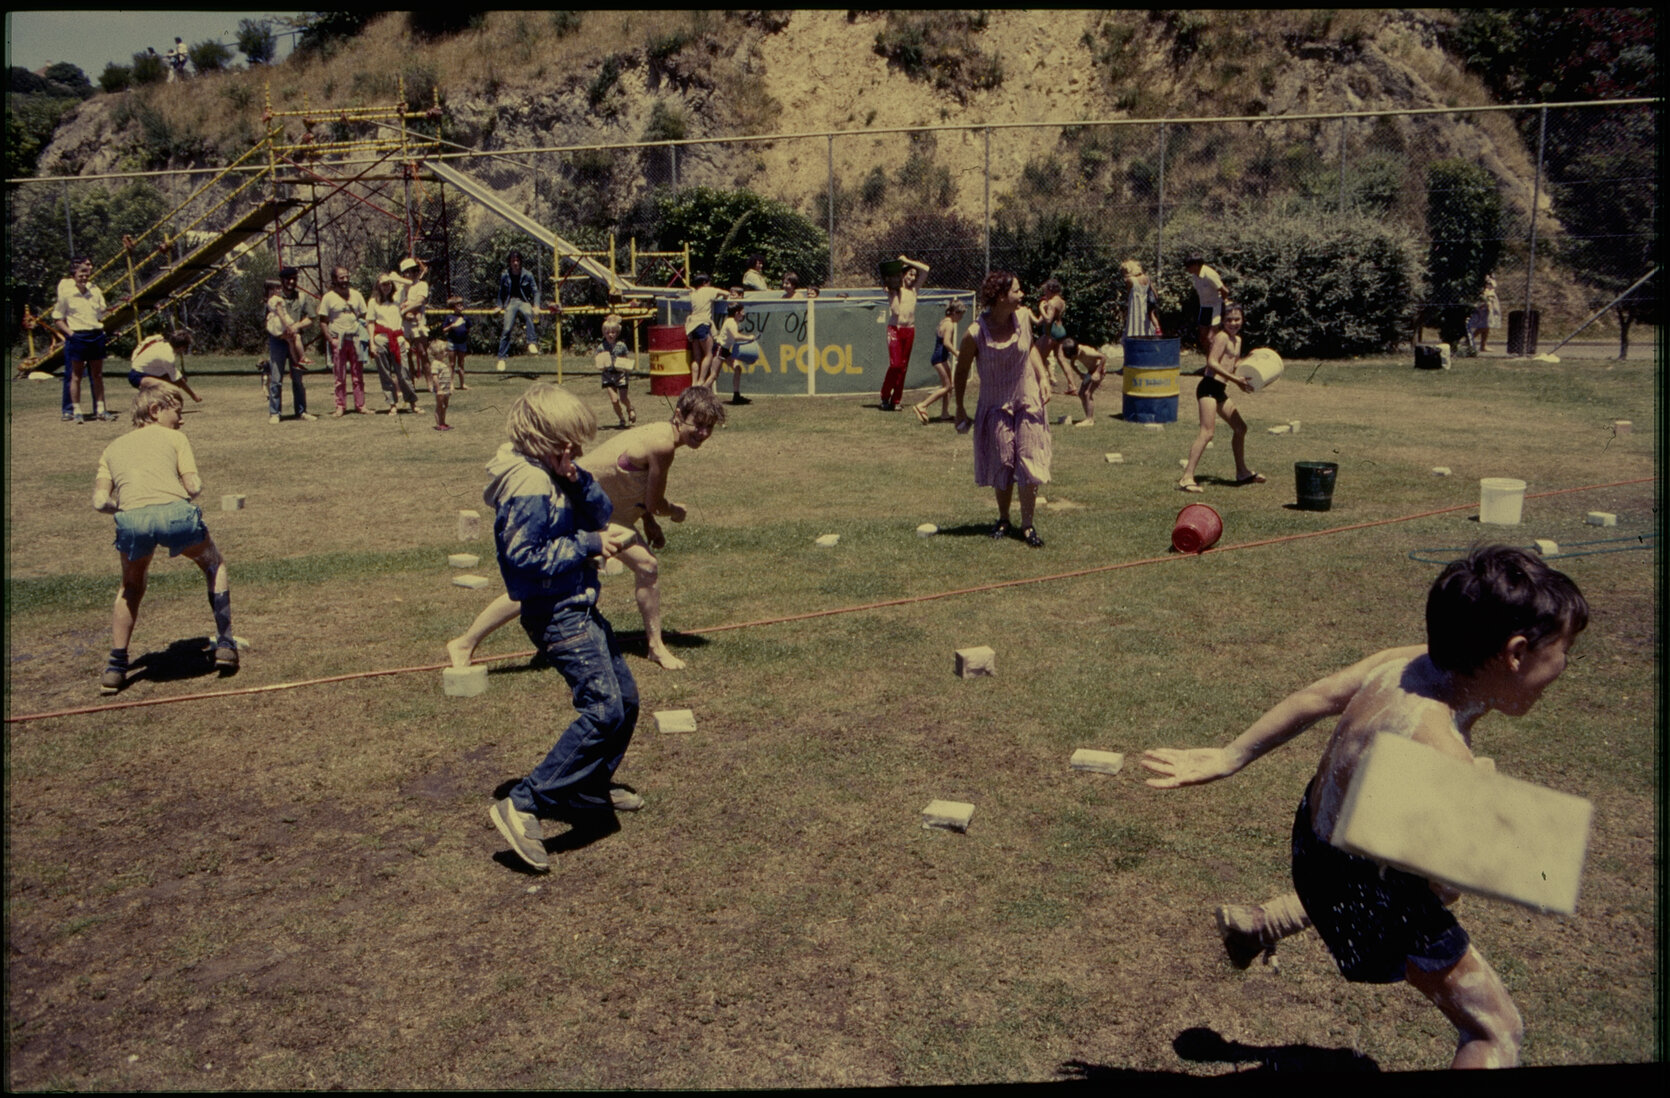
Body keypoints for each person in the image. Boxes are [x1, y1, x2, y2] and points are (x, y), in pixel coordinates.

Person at [1141, 546, 1589, 1070]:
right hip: (1361, 898)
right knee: (1495, 1030)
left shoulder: (1407, 663)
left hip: (1317, 842)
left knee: (1371, 860)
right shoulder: (1437, 749)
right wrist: (1474, 803)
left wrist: (1230, 755)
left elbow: (1319, 695)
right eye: (1563, 650)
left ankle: (1263, 923)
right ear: (1514, 653)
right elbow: (1444, 889)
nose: (1564, 666)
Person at [449, 386, 727, 675]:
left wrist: (648, 521)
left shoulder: (659, 433)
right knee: (637, 567)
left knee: (551, 584)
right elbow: (654, 502)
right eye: (698, 424)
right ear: (679, 415)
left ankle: (466, 643)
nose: (704, 433)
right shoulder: (663, 445)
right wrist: (674, 512)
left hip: (598, 509)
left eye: (710, 427)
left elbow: (637, 486)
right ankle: (655, 647)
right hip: (582, 508)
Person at [481, 382, 643, 873]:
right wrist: (588, 545)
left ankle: (585, 790)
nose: (574, 451)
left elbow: (599, 512)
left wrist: (577, 480)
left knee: (626, 700)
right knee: (603, 709)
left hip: (577, 602)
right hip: (556, 612)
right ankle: (525, 802)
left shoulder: (553, 471)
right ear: (538, 436)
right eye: (566, 442)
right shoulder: (527, 486)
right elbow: (524, 560)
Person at [92, 386, 239, 695]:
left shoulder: (112, 448)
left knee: (131, 586)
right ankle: (225, 644)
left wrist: (126, 509)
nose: (181, 421)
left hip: (131, 520)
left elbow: (100, 501)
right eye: (178, 413)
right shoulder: (175, 439)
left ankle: (115, 667)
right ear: (156, 410)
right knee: (215, 564)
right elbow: (194, 485)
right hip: (175, 514)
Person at [953, 270, 1052, 548]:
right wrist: (959, 408)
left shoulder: (1022, 318)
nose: (1022, 295)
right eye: (1017, 291)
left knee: (1030, 457)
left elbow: (1030, 346)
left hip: (1027, 397)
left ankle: (1028, 525)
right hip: (995, 403)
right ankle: (1004, 518)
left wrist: (1043, 376)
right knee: (1003, 460)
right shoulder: (975, 333)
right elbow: (960, 373)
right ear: (1000, 296)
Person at [1177, 303, 1263, 493]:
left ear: (1242, 320)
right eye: (1229, 319)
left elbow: (1233, 364)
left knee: (1240, 428)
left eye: (1237, 319)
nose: (1233, 323)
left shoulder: (1238, 340)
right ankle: (1187, 477)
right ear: (1223, 321)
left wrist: (1253, 360)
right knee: (1207, 433)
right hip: (1208, 387)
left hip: (1220, 390)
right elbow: (1212, 362)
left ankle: (1242, 472)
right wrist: (1235, 380)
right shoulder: (1222, 337)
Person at [52, 257, 112, 423]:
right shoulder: (66, 293)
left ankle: (101, 409)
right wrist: (71, 334)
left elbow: (101, 310)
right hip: (78, 337)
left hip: (95, 335)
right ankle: (74, 410)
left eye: (87, 274)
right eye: (81, 274)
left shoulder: (95, 291)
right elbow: (57, 318)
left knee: (97, 374)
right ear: (74, 275)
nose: (84, 277)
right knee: (75, 375)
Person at [265, 266, 318, 424]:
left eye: (294, 278)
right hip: (278, 341)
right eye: (288, 279)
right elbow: (267, 321)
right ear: (282, 281)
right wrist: (281, 334)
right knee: (276, 378)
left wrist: (297, 327)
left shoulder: (302, 297)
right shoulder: (274, 298)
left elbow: (311, 318)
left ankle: (301, 411)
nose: (291, 282)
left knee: (298, 377)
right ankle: (275, 413)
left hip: (295, 339)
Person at [879, 255, 930, 411]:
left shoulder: (914, 290)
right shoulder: (895, 289)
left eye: (914, 275)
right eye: (909, 274)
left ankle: (896, 400)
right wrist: (891, 292)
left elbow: (926, 269)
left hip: (909, 330)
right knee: (895, 365)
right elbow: (895, 311)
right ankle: (885, 396)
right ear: (902, 275)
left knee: (903, 367)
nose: (912, 277)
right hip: (895, 329)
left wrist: (907, 261)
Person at [319, 267, 369, 416]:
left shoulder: (356, 295)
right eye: (341, 278)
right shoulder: (328, 298)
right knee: (339, 375)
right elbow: (323, 321)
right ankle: (340, 406)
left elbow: (365, 316)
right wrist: (330, 339)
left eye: (347, 277)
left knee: (357, 374)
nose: (345, 280)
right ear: (334, 280)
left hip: (355, 338)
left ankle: (361, 405)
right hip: (338, 340)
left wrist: (363, 334)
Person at [370, 275, 420, 415]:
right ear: (378, 286)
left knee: (403, 371)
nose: (387, 286)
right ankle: (392, 404)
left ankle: (412, 402)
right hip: (381, 337)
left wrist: (394, 277)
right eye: (384, 284)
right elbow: (370, 323)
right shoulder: (373, 302)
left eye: (389, 284)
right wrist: (372, 343)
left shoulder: (397, 298)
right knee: (385, 373)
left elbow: (411, 282)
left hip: (397, 338)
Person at [912, 300, 966, 424]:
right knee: (947, 386)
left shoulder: (945, 321)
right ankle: (922, 406)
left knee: (950, 386)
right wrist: (957, 353)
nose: (961, 318)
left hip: (941, 358)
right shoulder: (950, 325)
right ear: (954, 312)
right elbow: (947, 343)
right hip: (939, 358)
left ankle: (945, 414)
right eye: (960, 314)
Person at [495, 251, 542, 371]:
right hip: (511, 302)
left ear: (520, 261)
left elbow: (536, 291)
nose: (515, 263)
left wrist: (536, 305)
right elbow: (501, 292)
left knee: (528, 313)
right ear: (510, 262)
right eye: (513, 261)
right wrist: (499, 305)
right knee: (506, 329)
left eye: (517, 261)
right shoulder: (505, 275)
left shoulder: (528, 274)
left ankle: (531, 342)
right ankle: (501, 358)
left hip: (523, 301)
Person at [126, 329, 201, 403]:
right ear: (182, 347)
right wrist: (194, 396)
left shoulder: (162, 344)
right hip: (138, 376)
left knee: (181, 381)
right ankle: (146, 402)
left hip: (149, 372)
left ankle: (153, 397)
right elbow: (178, 380)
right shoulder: (167, 356)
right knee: (170, 389)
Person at [395, 256, 432, 389]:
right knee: (406, 354)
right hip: (404, 325)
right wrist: (404, 311)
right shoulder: (400, 288)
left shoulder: (422, 284)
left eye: (414, 271)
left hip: (418, 324)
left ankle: (430, 383)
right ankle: (411, 383)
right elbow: (397, 303)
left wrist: (405, 310)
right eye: (408, 272)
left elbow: (419, 301)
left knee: (422, 353)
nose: (412, 274)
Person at [684, 274, 726, 389]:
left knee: (696, 357)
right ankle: (701, 382)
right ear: (704, 283)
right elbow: (725, 293)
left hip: (692, 326)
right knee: (708, 355)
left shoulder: (693, 294)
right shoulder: (708, 290)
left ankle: (694, 382)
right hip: (703, 324)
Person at [264, 278, 313, 375]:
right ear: (272, 290)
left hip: (275, 325)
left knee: (291, 342)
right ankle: (302, 357)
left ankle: (296, 362)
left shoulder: (269, 300)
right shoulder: (277, 299)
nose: (279, 290)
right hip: (281, 324)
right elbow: (281, 314)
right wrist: (287, 326)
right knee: (297, 337)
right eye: (277, 288)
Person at [717, 299, 759, 406]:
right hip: (719, 349)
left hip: (724, 350)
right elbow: (736, 336)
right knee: (713, 375)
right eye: (742, 311)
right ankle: (699, 397)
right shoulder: (731, 322)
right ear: (737, 313)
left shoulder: (732, 322)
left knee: (737, 368)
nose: (744, 314)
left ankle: (736, 396)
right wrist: (749, 337)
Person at [1033, 278, 1071, 395]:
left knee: (1037, 358)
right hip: (1060, 331)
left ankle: (1038, 384)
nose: (1045, 293)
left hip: (1051, 333)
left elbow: (1048, 320)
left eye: (1046, 290)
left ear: (1051, 290)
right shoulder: (1061, 301)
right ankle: (1072, 385)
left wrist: (1040, 308)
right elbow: (1040, 321)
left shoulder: (1051, 302)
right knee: (1061, 358)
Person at [1060, 339, 1110, 427]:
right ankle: (1088, 417)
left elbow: (1103, 357)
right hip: (1090, 372)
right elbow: (1072, 364)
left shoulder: (1086, 352)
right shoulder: (1075, 353)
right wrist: (1080, 374)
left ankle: (1089, 420)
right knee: (1081, 394)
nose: (1072, 357)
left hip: (1099, 370)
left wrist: (1097, 372)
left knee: (1087, 393)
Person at [1184, 256, 1228, 355]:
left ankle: (1216, 362)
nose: (1187, 269)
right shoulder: (1195, 275)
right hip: (1204, 307)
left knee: (1211, 337)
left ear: (1195, 265)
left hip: (1215, 307)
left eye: (1188, 266)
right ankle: (1209, 363)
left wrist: (1221, 303)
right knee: (1203, 337)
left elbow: (1225, 291)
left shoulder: (1209, 274)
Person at [596, 340, 636, 428]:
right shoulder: (601, 347)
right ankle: (621, 419)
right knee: (614, 400)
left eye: (613, 332)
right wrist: (602, 365)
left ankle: (630, 409)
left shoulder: (621, 345)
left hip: (621, 375)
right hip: (607, 376)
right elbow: (598, 362)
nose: (610, 334)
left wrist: (624, 364)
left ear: (617, 332)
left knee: (623, 398)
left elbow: (626, 359)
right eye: (607, 332)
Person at [1121, 259, 1162, 338]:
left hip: (1135, 307)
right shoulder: (1147, 278)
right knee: (1146, 323)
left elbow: (1128, 293)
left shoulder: (1130, 280)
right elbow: (1153, 291)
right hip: (1144, 306)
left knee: (1134, 322)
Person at [440, 295, 470, 390]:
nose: (461, 306)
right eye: (459, 305)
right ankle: (451, 384)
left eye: (462, 304)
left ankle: (462, 384)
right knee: (452, 364)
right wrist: (451, 326)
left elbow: (468, 328)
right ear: (454, 307)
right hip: (452, 343)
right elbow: (444, 330)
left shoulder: (465, 318)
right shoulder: (449, 317)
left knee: (461, 364)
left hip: (462, 343)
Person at [1467, 275, 1501, 353]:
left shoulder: (1491, 274)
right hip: (1485, 300)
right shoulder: (1484, 276)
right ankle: (1468, 341)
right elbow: (1485, 289)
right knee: (1484, 326)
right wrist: (1487, 302)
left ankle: (1483, 345)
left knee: (1487, 325)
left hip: (1491, 298)